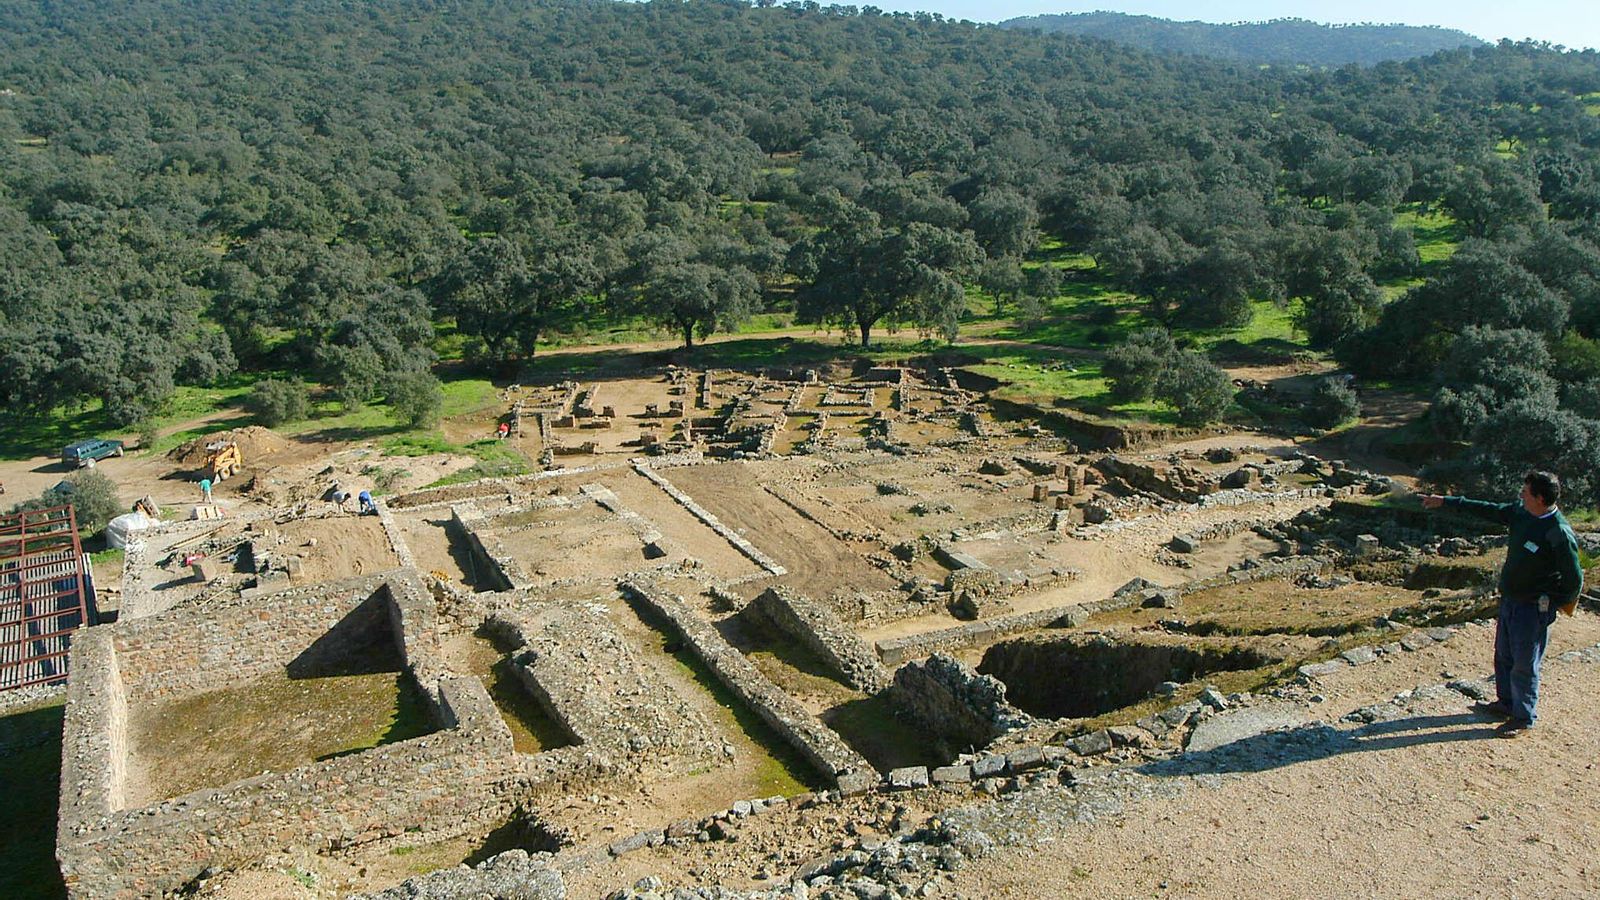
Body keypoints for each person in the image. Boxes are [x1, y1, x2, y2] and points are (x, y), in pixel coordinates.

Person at [1421, 471, 1583, 737]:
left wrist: (1553, 602)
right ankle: (1506, 703)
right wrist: (1446, 501)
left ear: (1540, 498)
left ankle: (1523, 717)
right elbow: (1488, 510)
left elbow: (1573, 577)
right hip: (1510, 600)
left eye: (1526, 492)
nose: (1521, 495)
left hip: (1533, 608)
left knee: (1524, 662)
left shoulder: (1557, 532)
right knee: (1504, 655)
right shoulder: (1521, 513)